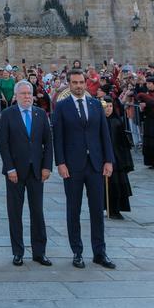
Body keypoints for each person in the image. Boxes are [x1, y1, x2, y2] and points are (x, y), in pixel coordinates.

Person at [52, 69, 116, 269]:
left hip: (95, 164)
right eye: (75, 82)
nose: (78, 86)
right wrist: (60, 163)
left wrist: (108, 160)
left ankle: (100, 252)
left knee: (97, 210)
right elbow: (58, 138)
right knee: (74, 209)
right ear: (69, 84)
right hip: (72, 166)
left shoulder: (96, 105)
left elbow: (104, 134)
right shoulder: (61, 107)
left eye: (81, 82)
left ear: (86, 83)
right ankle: (77, 252)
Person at [0, 80, 53, 266]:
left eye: (29, 93)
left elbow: (48, 143)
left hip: (36, 171)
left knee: (37, 211)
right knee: (15, 212)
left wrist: (47, 167)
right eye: (23, 94)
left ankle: (39, 252)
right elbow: (3, 144)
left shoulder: (40, 114)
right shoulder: (7, 115)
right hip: (15, 171)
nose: (27, 97)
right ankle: (18, 252)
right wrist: (9, 168)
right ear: (16, 96)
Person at [102, 97, 133, 218]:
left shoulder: (117, 122)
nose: (108, 109)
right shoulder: (99, 121)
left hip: (117, 159)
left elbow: (123, 143)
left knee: (117, 184)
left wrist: (125, 161)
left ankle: (116, 209)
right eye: (106, 107)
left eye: (110, 106)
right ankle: (105, 207)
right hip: (103, 158)